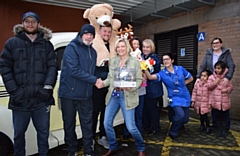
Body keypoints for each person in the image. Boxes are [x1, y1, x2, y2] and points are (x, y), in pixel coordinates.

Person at [0, 11, 57, 156]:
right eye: (27, 21)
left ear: (38, 24)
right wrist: (14, 91)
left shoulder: (46, 45)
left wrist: (47, 88)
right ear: (23, 23)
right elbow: (5, 67)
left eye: (33, 21)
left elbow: (52, 67)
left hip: (41, 99)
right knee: (19, 135)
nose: (30, 24)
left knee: (43, 134)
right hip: (20, 99)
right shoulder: (12, 43)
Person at [58, 24, 102, 156]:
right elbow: (74, 70)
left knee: (87, 125)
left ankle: (88, 150)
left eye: (91, 34)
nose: (88, 37)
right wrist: (95, 80)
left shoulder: (93, 52)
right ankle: (72, 150)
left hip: (85, 95)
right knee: (69, 124)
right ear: (81, 34)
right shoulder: (72, 48)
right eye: (86, 34)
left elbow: (93, 71)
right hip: (69, 94)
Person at [100, 38, 145, 156]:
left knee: (131, 127)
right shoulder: (113, 61)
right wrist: (102, 84)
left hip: (128, 96)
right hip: (114, 95)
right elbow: (110, 78)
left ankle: (141, 148)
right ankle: (113, 146)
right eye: (118, 47)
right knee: (107, 123)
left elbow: (139, 80)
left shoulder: (134, 62)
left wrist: (132, 87)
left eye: (122, 46)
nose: (120, 49)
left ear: (127, 48)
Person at [144, 53, 193, 141]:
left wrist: (181, 86)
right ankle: (173, 131)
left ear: (172, 60)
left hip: (184, 95)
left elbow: (190, 78)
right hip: (174, 97)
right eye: (164, 60)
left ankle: (176, 121)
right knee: (180, 115)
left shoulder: (180, 69)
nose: (165, 61)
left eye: (167, 59)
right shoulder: (162, 73)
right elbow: (151, 77)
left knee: (185, 119)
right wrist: (144, 68)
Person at [196, 37, 235, 130]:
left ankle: (226, 126)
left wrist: (227, 77)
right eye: (213, 43)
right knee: (213, 102)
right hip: (212, 79)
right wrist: (198, 77)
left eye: (217, 43)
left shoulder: (226, 53)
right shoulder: (209, 53)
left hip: (222, 79)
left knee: (223, 103)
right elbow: (202, 66)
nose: (215, 45)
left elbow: (231, 66)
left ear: (221, 44)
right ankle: (215, 124)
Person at [92, 24, 112, 149]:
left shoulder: (112, 46)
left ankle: (102, 136)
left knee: (106, 113)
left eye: (109, 32)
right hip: (96, 86)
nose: (107, 34)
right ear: (99, 32)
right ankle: (91, 138)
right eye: (105, 31)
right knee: (94, 113)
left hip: (109, 87)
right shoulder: (94, 45)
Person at [123, 37, 146, 139]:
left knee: (139, 113)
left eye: (137, 44)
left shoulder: (143, 60)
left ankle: (138, 133)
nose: (135, 46)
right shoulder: (125, 58)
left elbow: (145, 74)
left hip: (140, 91)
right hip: (128, 91)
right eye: (134, 44)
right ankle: (127, 132)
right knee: (128, 113)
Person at [142, 39, 163, 136]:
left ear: (152, 48)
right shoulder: (142, 57)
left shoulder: (154, 59)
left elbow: (152, 71)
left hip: (153, 89)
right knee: (145, 109)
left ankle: (156, 128)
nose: (145, 49)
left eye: (147, 47)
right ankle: (147, 125)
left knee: (153, 110)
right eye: (144, 47)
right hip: (144, 88)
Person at [208, 61, 233, 138]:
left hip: (224, 101)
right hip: (215, 101)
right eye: (216, 68)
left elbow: (230, 86)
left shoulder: (226, 78)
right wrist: (215, 82)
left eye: (219, 68)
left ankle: (223, 131)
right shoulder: (212, 77)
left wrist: (227, 90)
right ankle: (218, 130)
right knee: (217, 117)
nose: (217, 70)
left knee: (224, 118)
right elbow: (209, 86)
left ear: (223, 69)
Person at [191, 69, 212, 134]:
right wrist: (193, 101)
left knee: (205, 116)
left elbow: (211, 95)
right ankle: (202, 125)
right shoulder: (197, 83)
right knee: (200, 115)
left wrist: (210, 103)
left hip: (205, 103)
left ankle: (208, 126)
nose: (202, 77)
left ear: (208, 77)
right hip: (198, 102)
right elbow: (194, 92)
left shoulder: (209, 85)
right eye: (201, 76)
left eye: (205, 76)